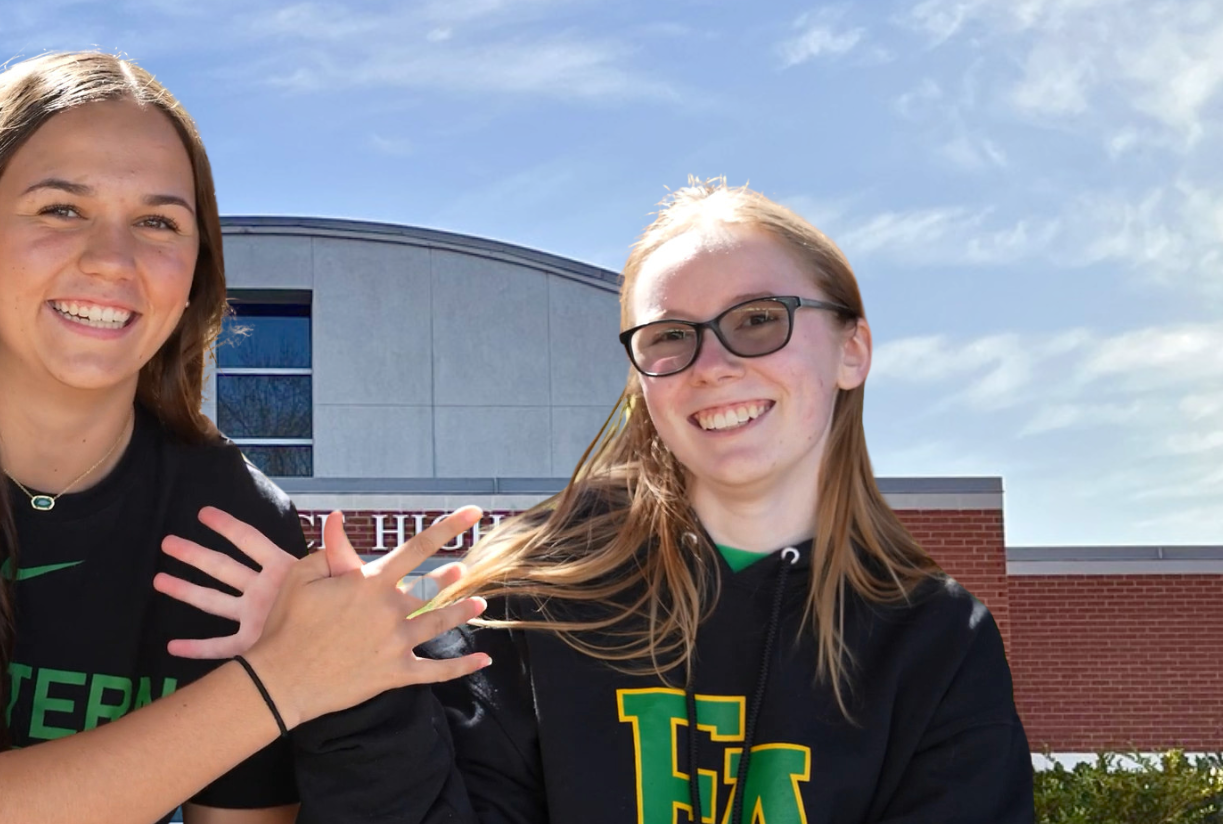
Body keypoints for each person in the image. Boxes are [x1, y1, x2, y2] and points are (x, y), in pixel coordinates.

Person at [0, 51, 492, 824]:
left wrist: (346, 674)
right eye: (62, 209)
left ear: (195, 274)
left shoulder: (233, 519)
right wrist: (283, 681)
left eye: (158, 223)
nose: (113, 262)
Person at [168, 180, 1034, 822]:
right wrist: (355, 690)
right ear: (641, 379)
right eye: (670, 337)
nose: (715, 363)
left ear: (853, 350)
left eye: (760, 319)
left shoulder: (933, 643)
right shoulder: (526, 599)